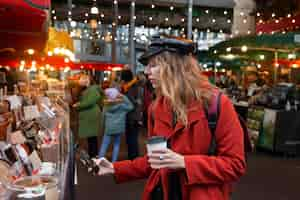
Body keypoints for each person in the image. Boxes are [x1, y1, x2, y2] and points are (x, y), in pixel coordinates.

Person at [95, 38, 246, 200]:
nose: (146, 71)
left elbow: (235, 165)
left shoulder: (217, 104)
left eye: (153, 65)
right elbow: (155, 160)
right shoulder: (155, 108)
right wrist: (114, 168)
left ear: (175, 67)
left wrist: (184, 162)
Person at [98, 87, 134, 162]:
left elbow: (103, 118)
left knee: (104, 145)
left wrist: (101, 128)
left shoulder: (106, 106)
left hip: (109, 129)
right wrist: (123, 96)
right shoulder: (122, 106)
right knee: (116, 145)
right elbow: (131, 106)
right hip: (119, 129)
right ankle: (114, 162)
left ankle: (99, 162)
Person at [73, 75, 103, 157]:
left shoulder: (92, 90)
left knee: (92, 138)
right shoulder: (91, 89)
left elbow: (89, 102)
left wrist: (79, 105)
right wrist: (80, 104)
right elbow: (89, 101)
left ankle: (94, 156)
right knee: (92, 138)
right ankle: (93, 155)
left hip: (91, 116)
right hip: (91, 116)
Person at [120, 69, 141, 160]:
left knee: (131, 139)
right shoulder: (132, 86)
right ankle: (133, 158)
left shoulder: (130, 87)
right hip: (133, 116)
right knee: (131, 139)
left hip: (132, 117)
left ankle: (133, 159)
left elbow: (132, 102)